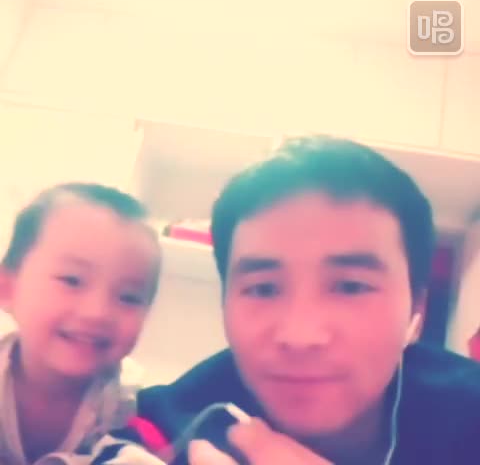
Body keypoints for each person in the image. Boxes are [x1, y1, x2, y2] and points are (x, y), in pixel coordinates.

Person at [92, 136, 480, 465]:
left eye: (350, 287)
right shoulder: (169, 427)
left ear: (416, 311)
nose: (300, 335)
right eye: (264, 289)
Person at [0, 183, 161, 465]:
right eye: (71, 280)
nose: (97, 312)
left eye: (129, 297)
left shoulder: (131, 408)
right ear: (8, 289)